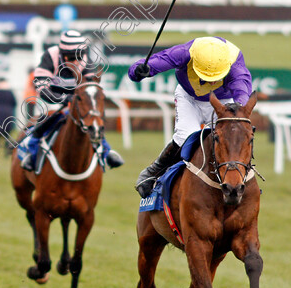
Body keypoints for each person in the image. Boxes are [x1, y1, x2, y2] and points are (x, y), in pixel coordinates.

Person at [129, 36, 253, 197]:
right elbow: (152, 62)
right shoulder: (184, 52)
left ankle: (241, 178)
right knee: (185, 136)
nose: (209, 81)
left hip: (222, 102)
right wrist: (138, 71)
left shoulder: (234, 61)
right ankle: (154, 171)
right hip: (189, 97)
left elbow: (242, 91)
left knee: (230, 137)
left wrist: (237, 110)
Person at [19, 30, 124, 171]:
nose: (75, 62)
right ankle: (31, 152)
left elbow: (91, 88)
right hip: (51, 98)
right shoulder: (50, 56)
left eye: (77, 57)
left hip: (76, 99)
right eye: (70, 58)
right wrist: (62, 98)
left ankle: (107, 152)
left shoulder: (86, 61)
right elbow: (41, 88)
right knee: (47, 118)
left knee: (92, 119)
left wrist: (77, 101)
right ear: (63, 55)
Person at [0, 77, 17, 157]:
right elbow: (14, 103)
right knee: (7, 136)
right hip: (8, 115)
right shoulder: (10, 92)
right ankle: (6, 153)